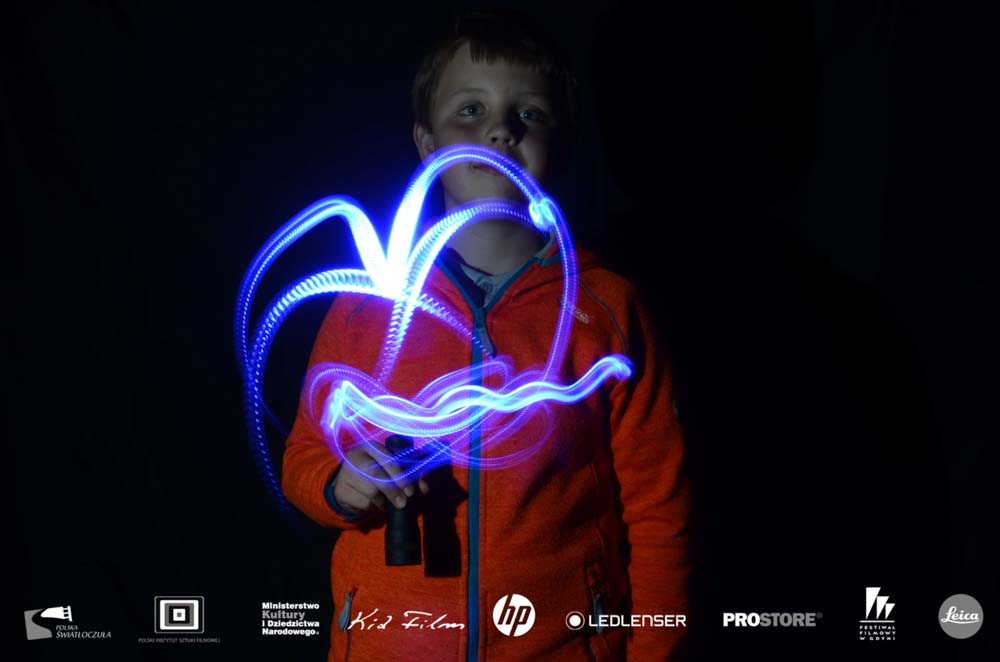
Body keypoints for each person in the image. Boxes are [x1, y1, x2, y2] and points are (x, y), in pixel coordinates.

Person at [282, 10, 690, 661]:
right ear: (426, 141)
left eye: (529, 113)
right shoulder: (365, 308)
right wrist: (339, 484)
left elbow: (660, 509)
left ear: (562, 143)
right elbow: (303, 457)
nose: (501, 130)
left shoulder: (609, 310)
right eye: (470, 110)